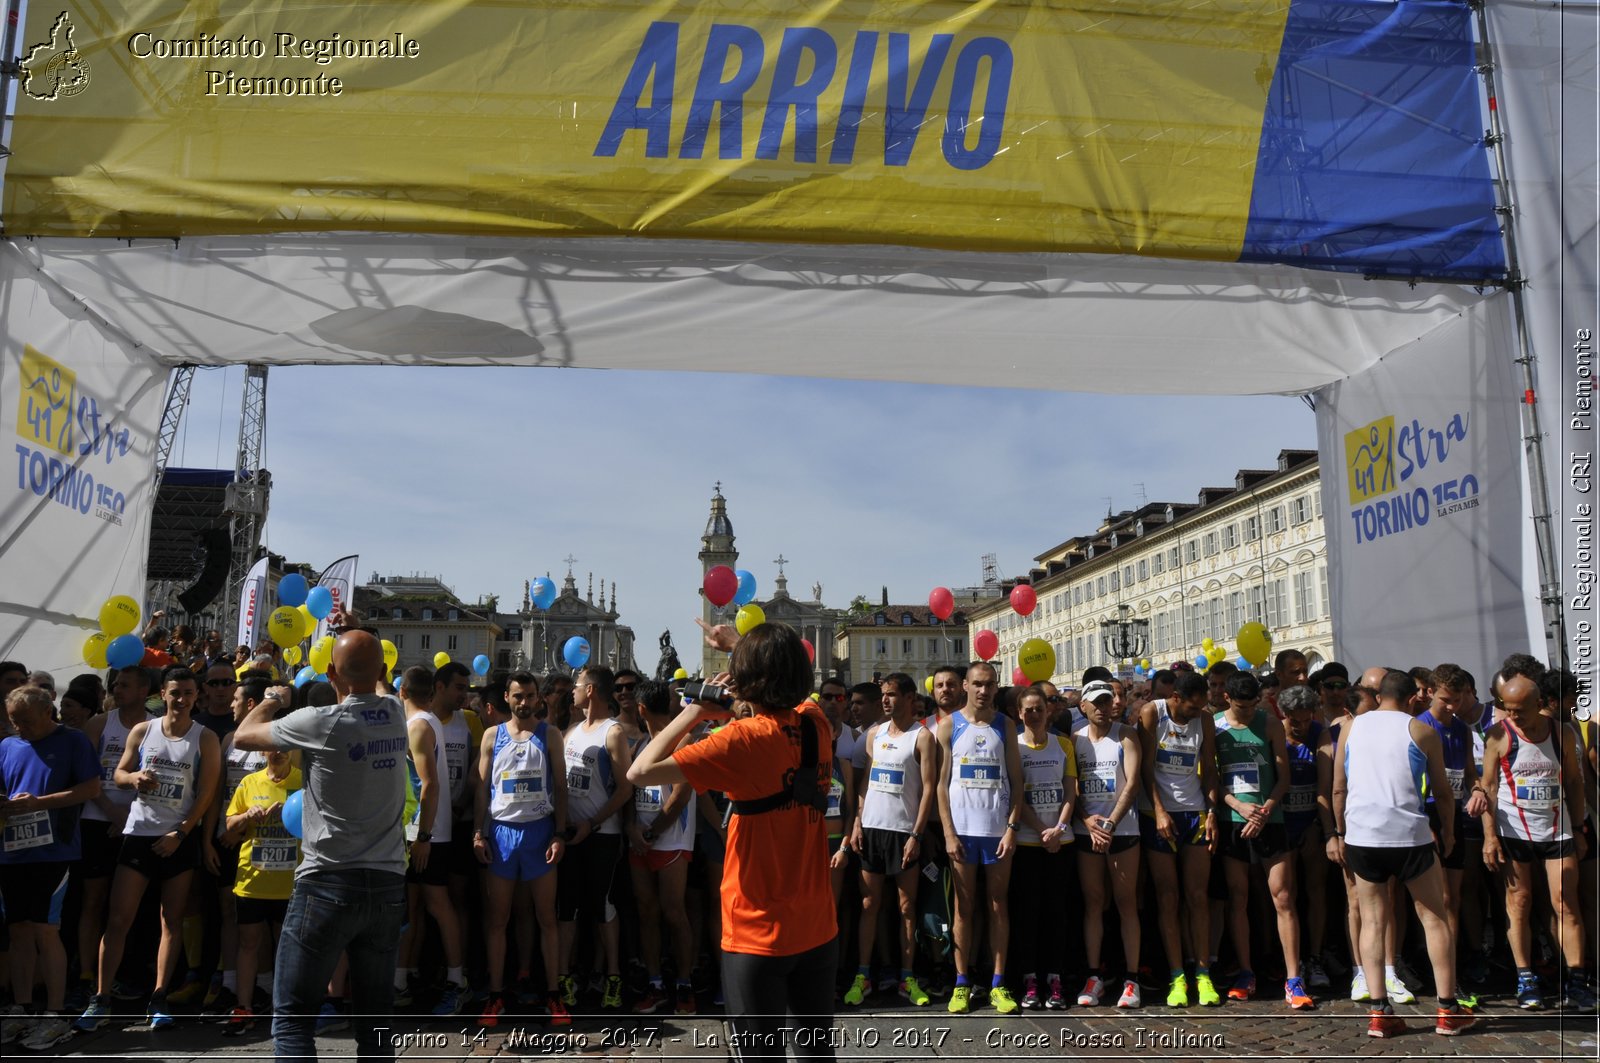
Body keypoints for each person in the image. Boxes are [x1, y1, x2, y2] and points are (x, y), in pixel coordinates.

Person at [630, 621, 836, 1063]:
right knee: (817, 1055)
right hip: (817, 927)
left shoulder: (742, 740)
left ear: (749, 679)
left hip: (756, 932)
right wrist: (742, 646)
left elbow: (640, 771)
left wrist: (695, 712)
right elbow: (791, 695)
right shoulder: (818, 724)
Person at [231, 626, 409, 1060]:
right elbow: (380, 683)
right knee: (375, 1021)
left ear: (331, 674)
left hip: (328, 882)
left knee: (292, 1021)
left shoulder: (321, 721)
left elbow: (242, 734)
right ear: (383, 670)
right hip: (386, 883)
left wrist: (275, 696)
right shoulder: (395, 712)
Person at [1330, 669, 1477, 1037]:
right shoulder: (1422, 731)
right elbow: (1443, 793)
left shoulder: (1350, 728)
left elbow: (1338, 789)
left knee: (1373, 920)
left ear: (1380, 696)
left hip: (1364, 836)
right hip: (1409, 836)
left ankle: (1379, 1011)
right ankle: (1447, 1010)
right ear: (1413, 698)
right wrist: (1447, 833)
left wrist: (1341, 832)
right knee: (1434, 918)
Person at [78, 667, 221, 1030]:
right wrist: (135, 778)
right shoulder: (145, 730)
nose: (181, 700)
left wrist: (182, 833)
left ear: (196, 696)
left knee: (170, 921)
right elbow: (119, 774)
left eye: (188, 693)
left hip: (177, 839)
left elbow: (206, 794)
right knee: (118, 919)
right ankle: (101, 998)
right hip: (139, 833)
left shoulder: (204, 738)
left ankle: (158, 998)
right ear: (164, 694)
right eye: (175, 693)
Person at [1481, 673, 1595, 1011]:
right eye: (1507, 708)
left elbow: (1574, 782)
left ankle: (1576, 981)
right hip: (1514, 831)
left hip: (1557, 830)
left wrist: (1577, 828)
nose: (1513, 716)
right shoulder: (1498, 735)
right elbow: (1487, 787)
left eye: (1520, 710)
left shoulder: (1561, 733)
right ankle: (1525, 976)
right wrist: (1489, 837)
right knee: (1520, 902)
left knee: (1565, 902)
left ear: (1538, 705)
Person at [0, 684, 100, 1051]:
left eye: (25, 721)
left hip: (53, 850)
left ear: (47, 712)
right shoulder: (7, 746)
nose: (18, 728)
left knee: (46, 929)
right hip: (12, 851)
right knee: (19, 931)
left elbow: (90, 788)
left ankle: (55, 1015)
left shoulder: (72, 742)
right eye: (13, 721)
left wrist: (40, 802)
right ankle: (21, 1008)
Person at [472, 670, 568, 1026]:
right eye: (517, 696)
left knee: (547, 918)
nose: (524, 702)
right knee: (498, 920)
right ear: (507, 699)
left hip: (539, 833)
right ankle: (496, 995)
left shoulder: (551, 734)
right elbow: (482, 789)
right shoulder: (491, 736)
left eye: (529, 696)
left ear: (538, 699)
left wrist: (560, 834)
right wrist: (478, 834)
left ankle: (553, 995)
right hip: (502, 834)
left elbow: (561, 786)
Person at [1214, 670, 1310, 1009]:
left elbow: (1283, 776)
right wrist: (1239, 805)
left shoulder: (1269, 723)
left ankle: (1294, 978)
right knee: (1238, 898)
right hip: (1232, 820)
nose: (1246, 711)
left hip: (1271, 820)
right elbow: (1212, 779)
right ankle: (1245, 971)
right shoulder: (1215, 726)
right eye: (1241, 706)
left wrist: (1265, 810)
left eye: (1252, 704)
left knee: (1282, 897)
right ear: (1227, 698)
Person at [936, 660, 1024, 1015]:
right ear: (966, 687)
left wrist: (1013, 828)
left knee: (998, 905)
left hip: (996, 832)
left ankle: (999, 983)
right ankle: (961, 982)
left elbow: (1019, 783)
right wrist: (948, 833)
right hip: (962, 833)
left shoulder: (1006, 725)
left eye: (990, 685)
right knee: (963, 907)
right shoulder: (948, 726)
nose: (984, 691)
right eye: (978, 684)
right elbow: (940, 786)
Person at [845, 672, 937, 1008]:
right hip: (872, 829)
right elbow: (866, 783)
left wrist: (916, 832)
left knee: (906, 908)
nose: (886, 700)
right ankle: (863, 975)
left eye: (893, 694)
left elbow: (929, 788)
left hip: (904, 832)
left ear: (911, 698)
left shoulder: (923, 737)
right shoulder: (874, 734)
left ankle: (907, 977)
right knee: (869, 905)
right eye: (883, 694)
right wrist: (857, 821)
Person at [1138, 671, 1221, 1008]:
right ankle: (1176, 974)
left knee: (1198, 896)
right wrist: (1158, 811)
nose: (1195, 712)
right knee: (1168, 897)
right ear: (1175, 697)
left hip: (1194, 812)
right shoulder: (1152, 713)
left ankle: (1202, 972)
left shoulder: (1205, 719)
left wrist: (1212, 809)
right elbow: (1145, 768)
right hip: (1159, 813)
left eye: (1200, 707)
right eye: (1190, 707)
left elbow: (1210, 767)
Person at [557, 665, 634, 1010]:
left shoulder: (612, 732)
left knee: (603, 907)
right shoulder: (572, 730)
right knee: (567, 908)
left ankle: (613, 976)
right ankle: (564, 977)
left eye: (576, 685)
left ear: (590, 691)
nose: (571, 690)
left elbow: (625, 789)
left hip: (602, 835)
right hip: (571, 835)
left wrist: (594, 822)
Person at [219, 727, 302, 1034]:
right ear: (263, 752)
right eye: (272, 747)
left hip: (290, 884)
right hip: (252, 882)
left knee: (287, 949)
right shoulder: (249, 782)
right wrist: (247, 817)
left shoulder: (303, 783)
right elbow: (230, 827)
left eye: (284, 747)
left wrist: (292, 812)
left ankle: (286, 1010)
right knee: (248, 945)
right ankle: (243, 1009)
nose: (278, 752)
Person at [626, 680, 698, 1016]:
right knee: (646, 913)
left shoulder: (682, 741)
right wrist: (632, 828)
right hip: (641, 840)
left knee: (674, 913)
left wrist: (652, 831)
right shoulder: (642, 742)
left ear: (641, 710)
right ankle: (655, 983)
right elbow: (629, 788)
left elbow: (681, 794)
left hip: (670, 839)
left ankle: (684, 984)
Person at [1071, 680, 1142, 1009]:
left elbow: (1131, 784)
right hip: (1088, 832)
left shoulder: (1125, 735)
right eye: (1095, 702)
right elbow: (1073, 788)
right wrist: (1087, 820)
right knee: (1093, 903)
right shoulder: (1075, 740)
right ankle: (1093, 976)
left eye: (1106, 700)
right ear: (1083, 707)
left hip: (1122, 830)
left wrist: (1111, 822)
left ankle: (1132, 979)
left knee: (1126, 903)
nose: (1102, 707)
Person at [1011, 684, 1078, 1010]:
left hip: (1060, 843)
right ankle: (1029, 979)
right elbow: (1016, 797)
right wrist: (1041, 830)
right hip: (1027, 842)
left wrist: (1058, 829)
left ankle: (1055, 978)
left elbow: (1070, 792)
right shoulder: (1014, 745)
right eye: (1029, 710)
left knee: (1057, 914)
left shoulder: (1062, 744)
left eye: (1040, 708)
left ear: (1048, 711)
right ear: (1019, 713)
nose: (1035, 714)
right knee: (1028, 914)